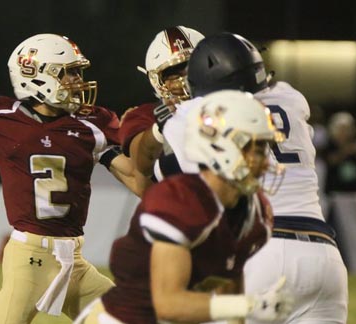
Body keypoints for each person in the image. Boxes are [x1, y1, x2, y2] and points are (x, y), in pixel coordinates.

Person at [0, 33, 140, 323]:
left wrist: (143, 140)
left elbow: (138, 181)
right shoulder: (2, 120)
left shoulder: (90, 124)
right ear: (38, 75)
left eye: (77, 73)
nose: (77, 81)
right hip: (29, 258)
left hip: (74, 263)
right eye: (68, 73)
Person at [171, 32, 347, 323]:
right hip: (325, 255)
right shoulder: (291, 97)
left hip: (263, 250)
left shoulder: (192, 114)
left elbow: (167, 170)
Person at [75, 90, 292, 324]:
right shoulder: (179, 201)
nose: (264, 160)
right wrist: (248, 305)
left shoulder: (256, 212)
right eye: (256, 149)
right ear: (220, 147)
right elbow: (168, 304)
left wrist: (240, 309)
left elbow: (228, 287)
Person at [119, 26, 204, 182]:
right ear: (157, 81)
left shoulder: (227, 101)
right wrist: (159, 129)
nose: (186, 79)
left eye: (192, 67)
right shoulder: (144, 115)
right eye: (174, 74)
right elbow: (142, 164)